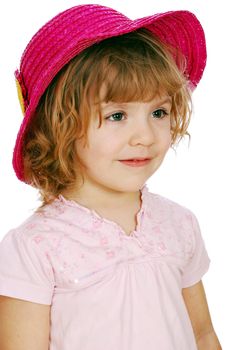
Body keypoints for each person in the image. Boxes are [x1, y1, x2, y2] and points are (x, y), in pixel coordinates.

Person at [0, 3, 222, 350]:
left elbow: (203, 334)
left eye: (158, 112)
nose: (145, 136)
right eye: (117, 115)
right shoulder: (36, 247)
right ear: (61, 127)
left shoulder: (179, 225)